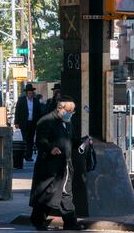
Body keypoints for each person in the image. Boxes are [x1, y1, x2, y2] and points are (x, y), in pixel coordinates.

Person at [29, 95, 86, 231]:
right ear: (60, 108)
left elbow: (71, 140)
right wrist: (50, 149)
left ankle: (71, 222)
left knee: (66, 193)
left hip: (65, 164)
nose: (71, 113)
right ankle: (38, 220)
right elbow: (40, 141)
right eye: (69, 110)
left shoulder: (67, 122)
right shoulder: (46, 121)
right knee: (48, 193)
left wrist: (83, 142)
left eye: (73, 111)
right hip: (50, 166)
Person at [14, 83, 42, 161]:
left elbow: (39, 112)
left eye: (31, 93)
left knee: (30, 139)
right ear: (26, 93)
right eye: (29, 93)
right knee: (24, 139)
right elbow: (17, 112)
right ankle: (24, 154)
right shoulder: (21, 100)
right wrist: (16, 122)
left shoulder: (36, 101)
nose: (30, 94)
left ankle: (28, 156)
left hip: (32, 123)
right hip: (24, 123)